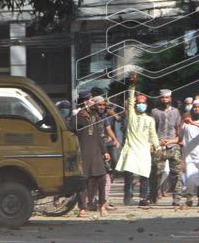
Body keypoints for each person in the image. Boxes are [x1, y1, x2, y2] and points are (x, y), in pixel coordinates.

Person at [115, 74, 158, 206]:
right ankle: (127, 197)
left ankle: (143, 199)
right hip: (131, 149)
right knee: (129, 175)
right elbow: (130, 100)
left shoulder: (150, 119)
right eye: (138, 103)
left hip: (144, 150)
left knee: (145, 175)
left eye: (143, 103)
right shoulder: (131, 116)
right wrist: (132, 86)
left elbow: (153, 135)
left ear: (147, 104)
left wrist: (158, 147)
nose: (140, 104)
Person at [73, 95, 113, 217]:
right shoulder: (80, 115)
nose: (97, 106)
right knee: (83, 181)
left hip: (96, 153)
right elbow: (71, 128)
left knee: (101, 179)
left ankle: (101, 205)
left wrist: (105, 151)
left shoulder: (97, 117)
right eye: (94, 103)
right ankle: (82, 208)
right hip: (83, 152)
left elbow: (99, 136)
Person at [150, 89, 184, 207]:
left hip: (173, 145)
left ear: (170, 98)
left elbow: (179, 129)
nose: (165, 100)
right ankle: (153, 195)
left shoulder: (176, 112)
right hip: (159, 146)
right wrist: (154, 143)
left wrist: (174, 140)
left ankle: (177, 199)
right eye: (163, 98)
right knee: (156, 173)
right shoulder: (154, 112)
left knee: (176, 173)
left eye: (167, 97)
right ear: (160, 99)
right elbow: (151, 129)